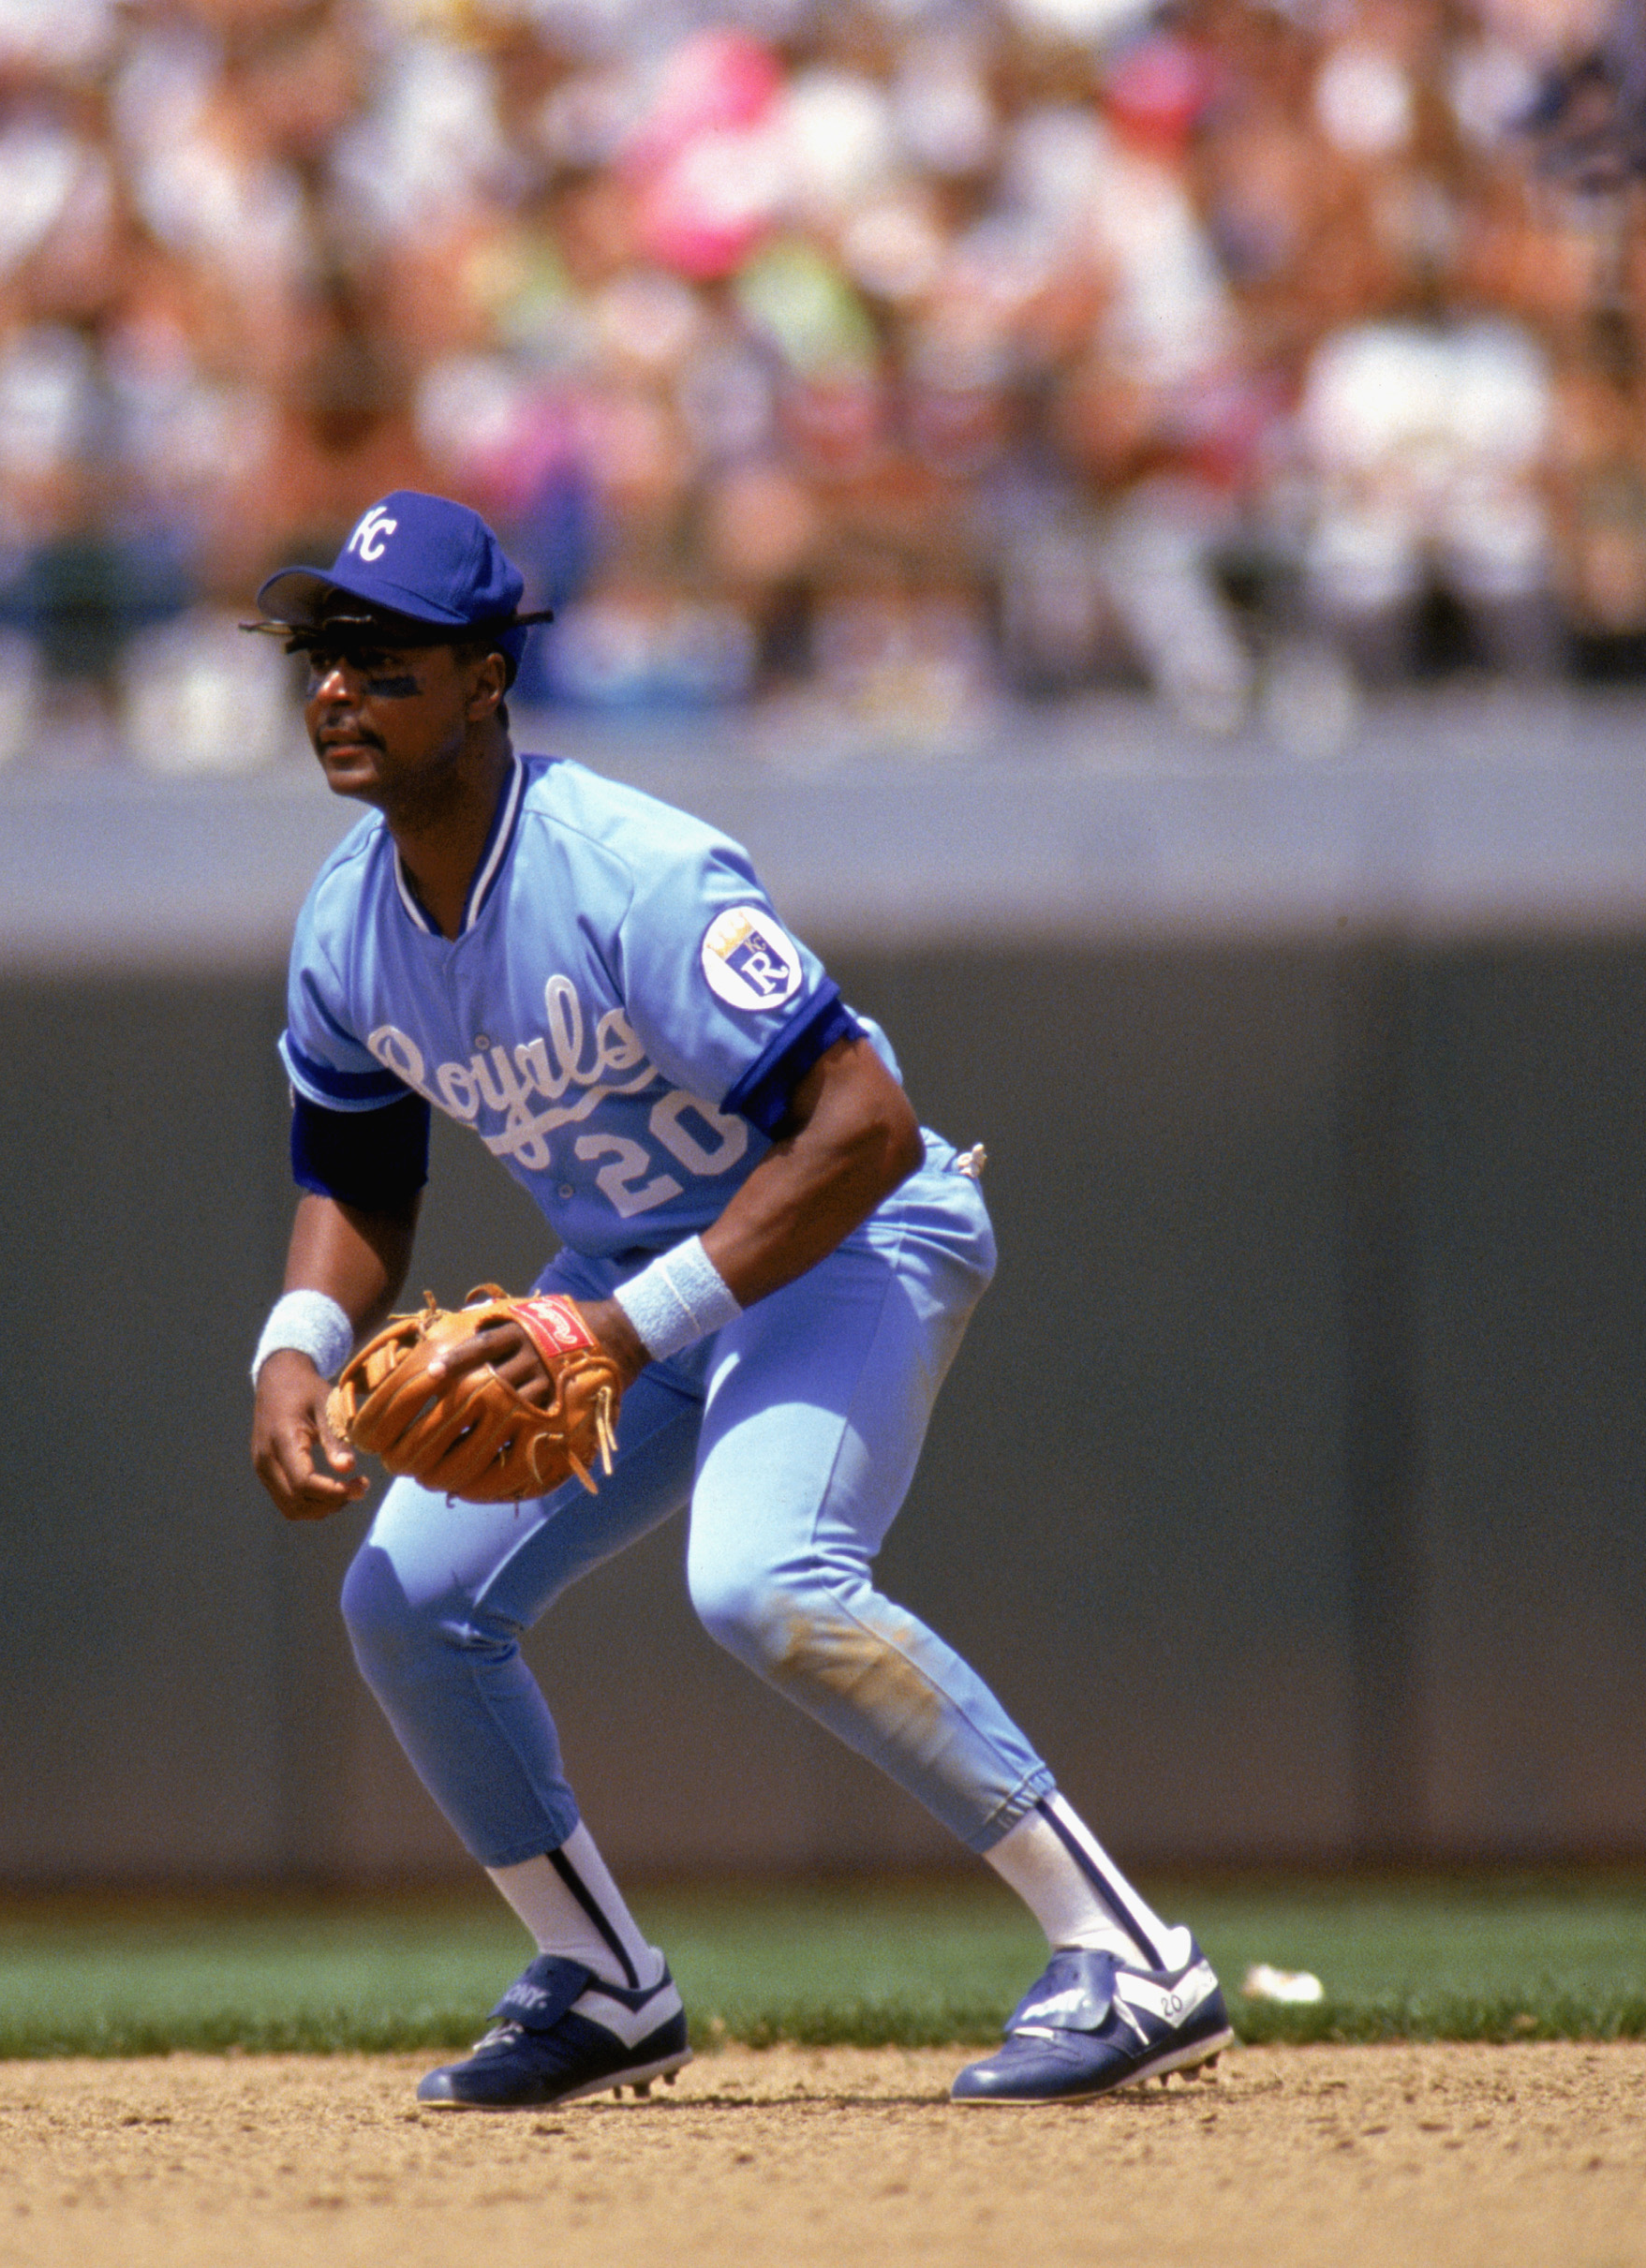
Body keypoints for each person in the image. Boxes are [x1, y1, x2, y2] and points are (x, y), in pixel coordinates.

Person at [240, 490, 1228, 2111]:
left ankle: (1127, 1953)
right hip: (627, 1285)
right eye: (317, 653)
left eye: (381, 655)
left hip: (846, 1240)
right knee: (405, 1604)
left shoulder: (628, 873)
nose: (335, 688)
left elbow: (861, 1124)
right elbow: (356, 1177)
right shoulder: (344, 926)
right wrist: (295, 1347)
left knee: (764, 1580)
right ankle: (602, 1984)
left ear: (485, 677)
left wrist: (618, 1332)